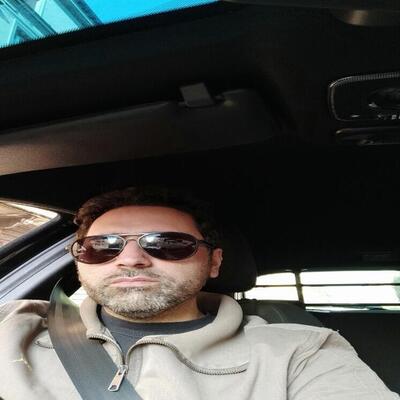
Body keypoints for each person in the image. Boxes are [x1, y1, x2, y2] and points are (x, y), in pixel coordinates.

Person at [0, 186, 398, 400]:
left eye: (167, 244)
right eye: (103, 247)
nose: (131, 259)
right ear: (80, 259)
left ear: (214, 262)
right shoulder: (13, 326)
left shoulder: (298, 354)